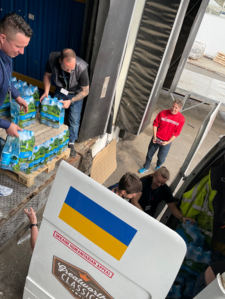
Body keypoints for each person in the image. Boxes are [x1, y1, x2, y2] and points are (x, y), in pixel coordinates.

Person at [0, 13, 33, 196]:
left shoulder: (5, 54)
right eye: (19, 46)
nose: (22, 52)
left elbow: (6, 78)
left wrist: (17, 95)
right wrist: (7, 124)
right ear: (2, 37)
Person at [40, 49, 89, 157]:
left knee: (74, 120)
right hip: (60, 90)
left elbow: (86, 91)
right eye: (66, 68)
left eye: (72, 68)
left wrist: (70, 101)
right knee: (53, 114)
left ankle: (71, 143)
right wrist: (46, 92)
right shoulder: (52, 59)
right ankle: (53, 138)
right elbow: (47, 75)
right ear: (60, 60)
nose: (69, 71)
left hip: (75, 95)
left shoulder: (81, 67)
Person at [139, 99, 185, 174]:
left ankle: (158, 166)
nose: (174, 109)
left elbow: (177, 133)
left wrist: (168, 142)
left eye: (176, 108)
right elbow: (155, 124)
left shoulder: (181, 119)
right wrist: (154, 137)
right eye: (173, 106)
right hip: (156, 138)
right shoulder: (163, 113)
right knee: (149, 154)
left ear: (180, 108)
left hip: (166, 142)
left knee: (161, 158)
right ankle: (146, 167)